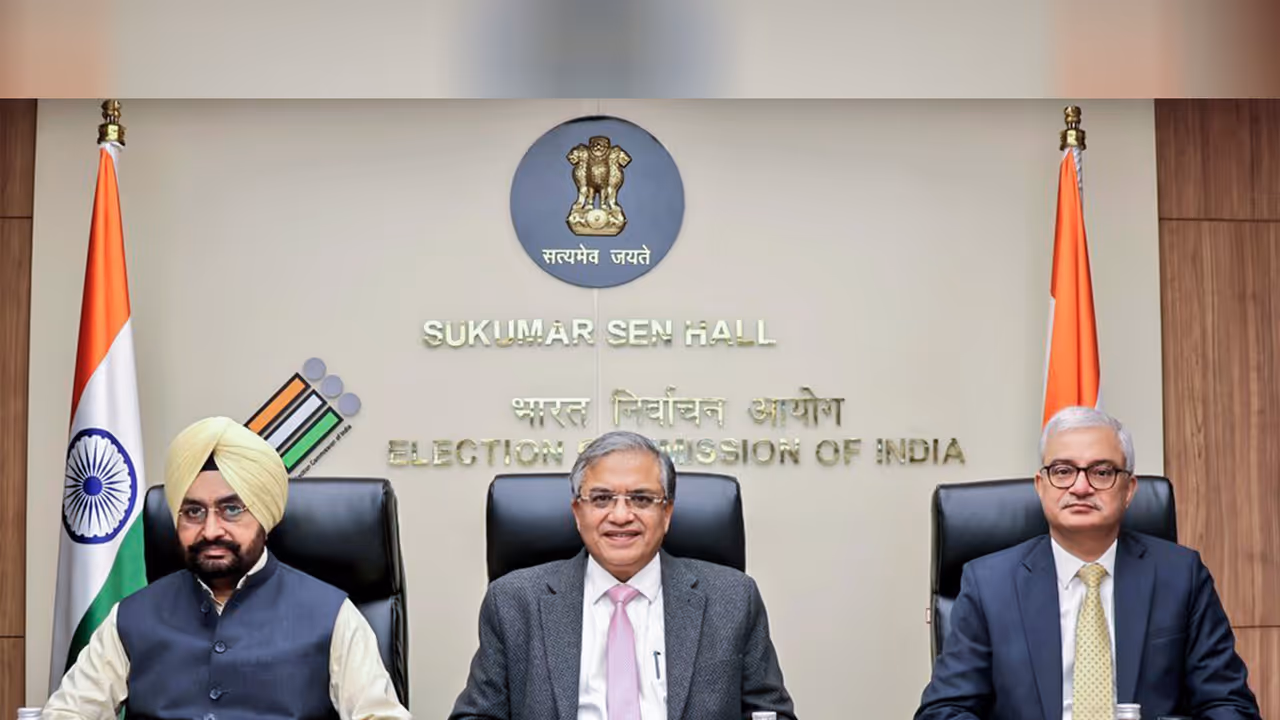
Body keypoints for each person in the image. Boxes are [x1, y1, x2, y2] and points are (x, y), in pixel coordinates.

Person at [43, 416, 411, 720]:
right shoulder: (130, 617)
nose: (211, 530)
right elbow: (67, 713)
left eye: (232, 509)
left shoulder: (333, 615)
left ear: (264, 516)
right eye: (193, 511)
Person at [915, 406, 1261, 720]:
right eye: (1063, 471)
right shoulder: (989, 584)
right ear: (1041, 486)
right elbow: (945, 711)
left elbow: (1229, 705)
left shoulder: (1181, 576)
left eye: (1101, 472)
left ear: (1129, 489)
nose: (1080, 487)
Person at [449, 430, 796, 720]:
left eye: (641, 499)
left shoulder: (733, 598)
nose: (620, 515)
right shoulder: (513, 602)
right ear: (577, 512)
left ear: (667, 513)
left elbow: (769, 712)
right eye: (601, 499)